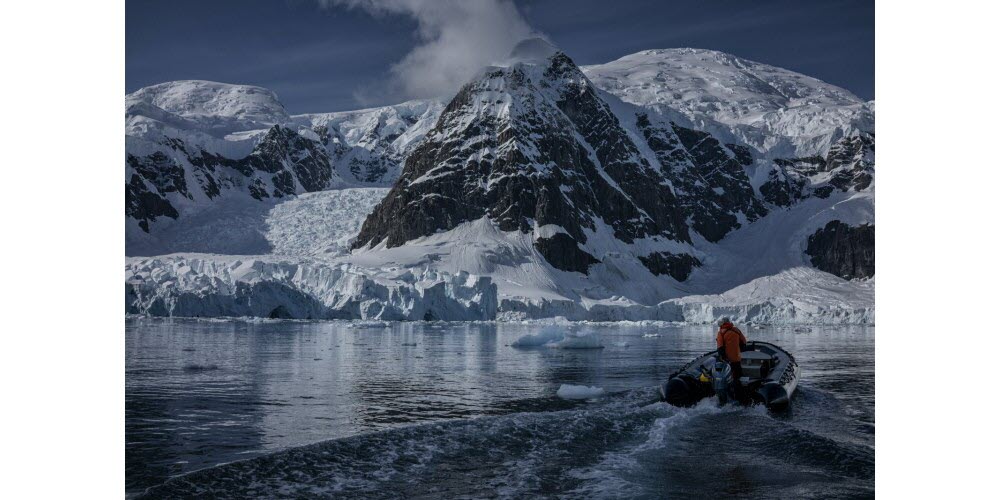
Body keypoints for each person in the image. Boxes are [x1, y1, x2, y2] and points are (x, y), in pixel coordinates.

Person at [715, 317, 748, 403]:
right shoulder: (736, 330)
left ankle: (726, 398)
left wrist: (723, 357)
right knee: (738, 378)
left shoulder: (721, 333)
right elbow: (744, 343)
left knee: (727, 379)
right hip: (736, 359)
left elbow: (720, 348)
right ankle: (741, 398)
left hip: (727, 361)